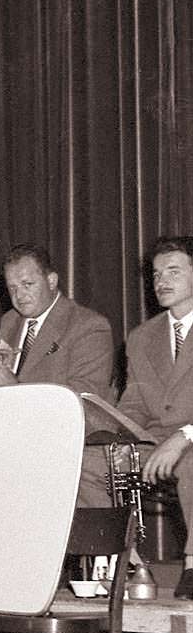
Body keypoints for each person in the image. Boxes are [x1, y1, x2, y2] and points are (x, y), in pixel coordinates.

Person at [0, 244, 115, 506]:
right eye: (12, 288)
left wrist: (12, 386)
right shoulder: (9, 321)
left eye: (27, 284)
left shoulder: (88, 326)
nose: (19, 295)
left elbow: (82, 398)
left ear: (51, 281)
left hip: (65, 444)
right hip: (16, 439)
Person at [119, 236, 193, 599]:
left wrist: (182, 437)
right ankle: (123, 565)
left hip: (190, 441)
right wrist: (118, 438)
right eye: (156, 274)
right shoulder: (140, 337)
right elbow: (133, 403)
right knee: (84, 464)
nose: (161, 281)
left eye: (173, 272)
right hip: (152, 441)